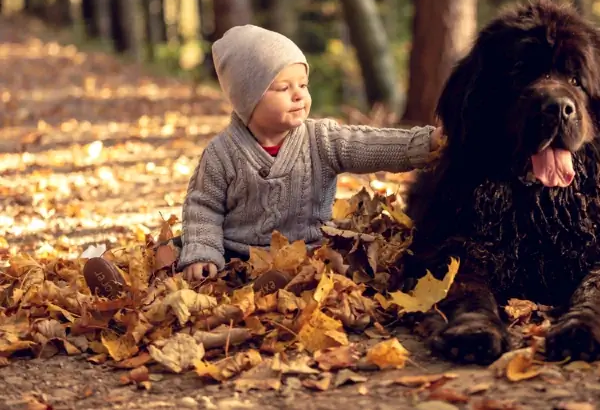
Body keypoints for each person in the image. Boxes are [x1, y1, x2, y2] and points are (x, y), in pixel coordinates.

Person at [82, 25, 443, 298]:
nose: (299, 94)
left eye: (303, 84)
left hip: (307, 249)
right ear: (248, 100)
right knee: (174, 255)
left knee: (339, 262)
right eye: (283, 88)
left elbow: (369, 144)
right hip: (231, 252)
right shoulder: (222, 153)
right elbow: (202, 207)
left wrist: (424, 143)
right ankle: (123, 286)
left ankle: (276, 289)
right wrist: (203, 251)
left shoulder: (321, 140)